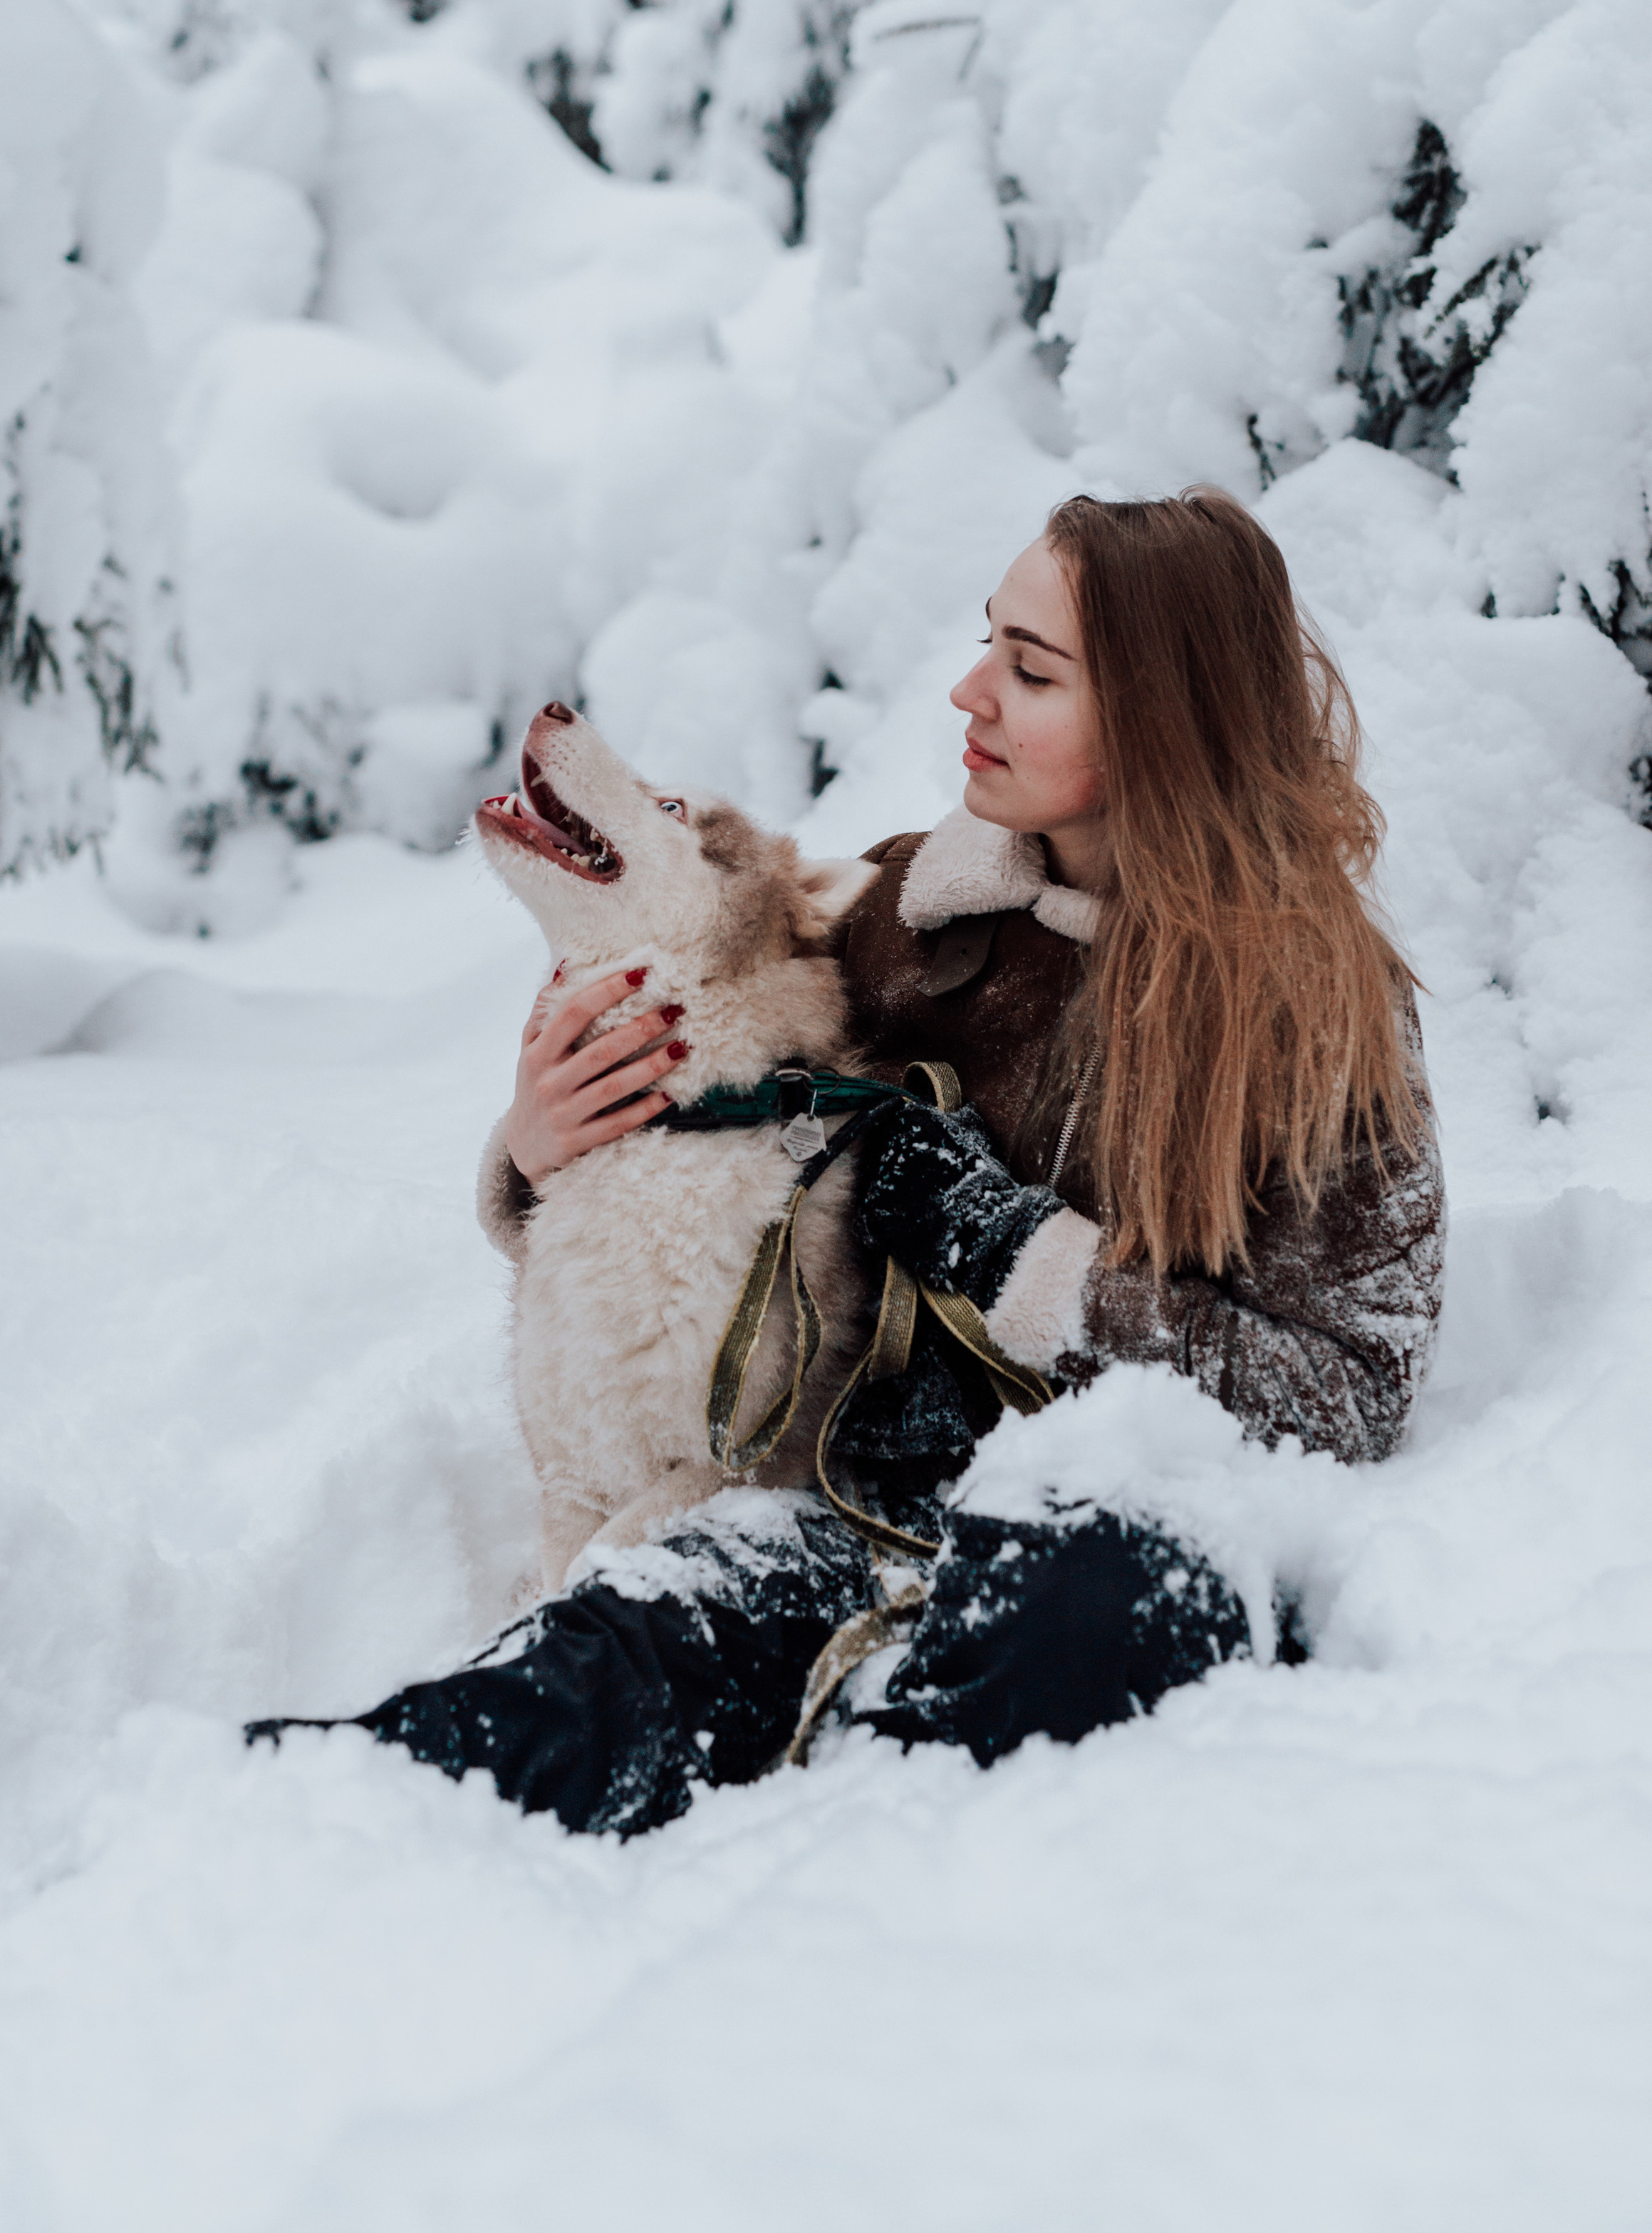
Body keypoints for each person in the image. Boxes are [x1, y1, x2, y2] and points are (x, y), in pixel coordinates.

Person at [251, 489, 1445, 1831]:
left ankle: (855, 1816)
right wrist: (538, 1145)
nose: (967, 690)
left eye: (1029, 670)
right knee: (631, 1646)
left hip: (1096, 1528)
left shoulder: (1315, 1011)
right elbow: (707, 1084)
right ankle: (310, 1809)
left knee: (1079, 1601)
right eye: (987, 640)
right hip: (853, 1503)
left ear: (1162, 717)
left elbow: (1352, 1382)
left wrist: (1022, 1261)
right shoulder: (909, 914)